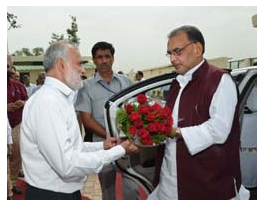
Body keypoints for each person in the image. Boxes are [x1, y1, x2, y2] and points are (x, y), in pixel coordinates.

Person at [20, 41, 138, 200]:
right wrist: (120, 150)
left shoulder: (58, 98)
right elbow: (67, 165)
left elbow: (71, 147)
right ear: (61, 65)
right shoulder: (48, 102)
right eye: (79, 64)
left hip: (62, 192)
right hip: (52, 196)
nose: (83, 70)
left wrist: (103, 145)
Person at [149, 25, 244, 200]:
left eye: (177, 52)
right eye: (169, 53)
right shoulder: (177, 83)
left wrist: (176, 132)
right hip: (170, 179)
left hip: (206, 182)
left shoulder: (219, 80)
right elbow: (171, 122)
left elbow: (219, 130)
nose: (172, 59)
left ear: (197, 49)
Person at [75, 41, 139, 200]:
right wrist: (109, 136)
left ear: (113, 58)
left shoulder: (126, 81)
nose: (104, 60)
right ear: (94, 60)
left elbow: (136, 110)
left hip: (127, 144)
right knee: (107, 189)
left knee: (132, 187)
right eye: (99, 57)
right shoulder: (85, 87)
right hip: (102, 145)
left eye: (107, 56)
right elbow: (86, 120)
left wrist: (127, 136)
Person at [7, 55, 28, 195]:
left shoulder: (18, 86)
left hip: (16, 124)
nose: (7, 68)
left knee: (16, 154)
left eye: (8, 66)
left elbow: (29, 102)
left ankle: (13, 183)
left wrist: (22, 103)